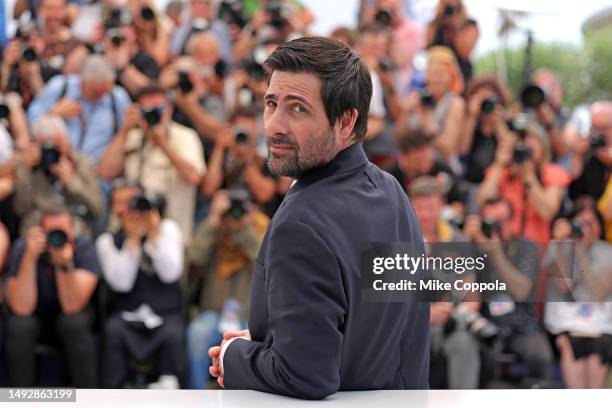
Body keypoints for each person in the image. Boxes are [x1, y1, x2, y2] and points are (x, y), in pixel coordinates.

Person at [207, 37, 429, 399]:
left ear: (346, 122)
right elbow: (365, 339)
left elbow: (305, 375)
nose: (274, 125)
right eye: (271, 103)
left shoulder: (301, 224)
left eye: (297, 109)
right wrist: (273, 342)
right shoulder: (391, 191)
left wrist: (235, 356)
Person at [96, 181, 185, 388]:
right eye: (119, 203)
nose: (127, 209)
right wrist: (133, 240)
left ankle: (170, 391)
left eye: (131, 202)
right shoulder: (106, 240)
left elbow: (171, 273)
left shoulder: (168, 229)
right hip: (127, 317)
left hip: (165, 316)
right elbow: (121, 284)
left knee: (173, 334)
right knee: (112, 330)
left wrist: (153, 236)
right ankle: (113, 395)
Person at [98, 85, 205, 245]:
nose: (153, 114)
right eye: (147, 109)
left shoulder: (185, 137)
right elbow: (105, 172)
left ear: (169, 109)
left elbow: (194, 176)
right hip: (129, 231)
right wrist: (124, 130)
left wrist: (162, 143)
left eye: (158, 109)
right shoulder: (132, 136)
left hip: (170, 233)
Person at [4, 208, 100, 387]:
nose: (56, 237)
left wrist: (64, 266)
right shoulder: (23, 247)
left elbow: (72, 307)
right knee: (20, 325)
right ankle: (20, 400)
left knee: (74, 322)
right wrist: (30, 258)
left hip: (70, 318)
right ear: (41, 231)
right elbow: (21, 308)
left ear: (72, 230)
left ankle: (88, 397)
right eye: (51, 231)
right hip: (35, 317)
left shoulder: (84, 248)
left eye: (62, 231)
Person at [465, 198, 553, 384]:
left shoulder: (526, 247)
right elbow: (463, 291)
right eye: (490, 222)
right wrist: (465, 245)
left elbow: (522, 291)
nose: (495, 228)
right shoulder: (472, 246)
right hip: (484, 320)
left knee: (540, 354)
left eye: (500, 221)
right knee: (476, 354)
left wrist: (495, 253)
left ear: (511, 222)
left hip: (520, 321)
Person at [186, 189, 268, 389]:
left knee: (256, 345)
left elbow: (264, 261)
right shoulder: (214, 229)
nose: (235, 214)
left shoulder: (262, 227)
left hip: (249, 317)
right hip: (213, 312)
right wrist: (213, 220)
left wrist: (244, 230)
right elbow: (195, 257)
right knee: (197, 334)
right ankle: (197, 397)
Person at [408, 176, 481, 390]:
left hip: (451, 322)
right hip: (412, 325)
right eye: (419, 208)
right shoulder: (398, 239)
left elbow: (471, 292)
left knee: (464, 341)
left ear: (442, 205)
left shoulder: (458, 240)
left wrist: (461, 313)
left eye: (430, 207)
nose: (425, 215)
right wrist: (426, 313)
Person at [544, 198, 612, 388]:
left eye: (590, 224)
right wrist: (561, 246)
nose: (585, 229)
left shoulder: (609, 252)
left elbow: (598, 294)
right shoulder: (556, 248)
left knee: (599, 349)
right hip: (567, 326)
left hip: (600, 328)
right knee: (569, 345)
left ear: (599, 226)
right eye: (580, 224)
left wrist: (581, 253)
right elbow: (563, 287)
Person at [477, 117, 571, 243]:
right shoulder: (504, 171)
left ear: (542, 144)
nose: (525, 143)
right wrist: (498, 164)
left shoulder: (551, 173)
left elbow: (547, 211)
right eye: (521, 139)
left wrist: (529, 176)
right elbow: (483, 201)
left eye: (530, 138)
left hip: (535, 247)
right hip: (503, 243)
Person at [27, 55, 131, 162]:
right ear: (83, 79)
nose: (101, 95)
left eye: (105, 91)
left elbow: (127, 132)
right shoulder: (61, 86)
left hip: (99, 171)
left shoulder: (117, 97)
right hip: (62, 165)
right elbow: (32, 121)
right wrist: (54, 113)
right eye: (96, 92)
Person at [12, 114, 103, 238]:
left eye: (56, 146)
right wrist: (26, 172)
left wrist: (72, 182)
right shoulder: (29, 167)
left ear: (66, 141)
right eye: (46, 148)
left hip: (74, 230)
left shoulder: (83, 164)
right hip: (39, 228)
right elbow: (20, 208)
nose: (51, 154)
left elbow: (97, 209)